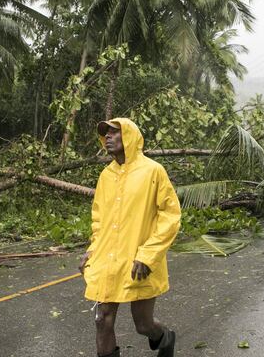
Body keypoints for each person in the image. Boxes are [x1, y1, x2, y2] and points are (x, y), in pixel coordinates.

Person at [78, 118, 181, 357]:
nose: (108, 138)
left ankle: (165, 338)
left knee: (143, 325)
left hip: (140, 261)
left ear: (131, 137)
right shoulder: (106, 175)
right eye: (106, 134)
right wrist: (93, 249)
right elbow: (99, 219)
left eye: (115, 133)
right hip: (108, 259)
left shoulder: (153, 171)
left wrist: (148, 255)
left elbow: (170, 215)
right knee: (102, 319)